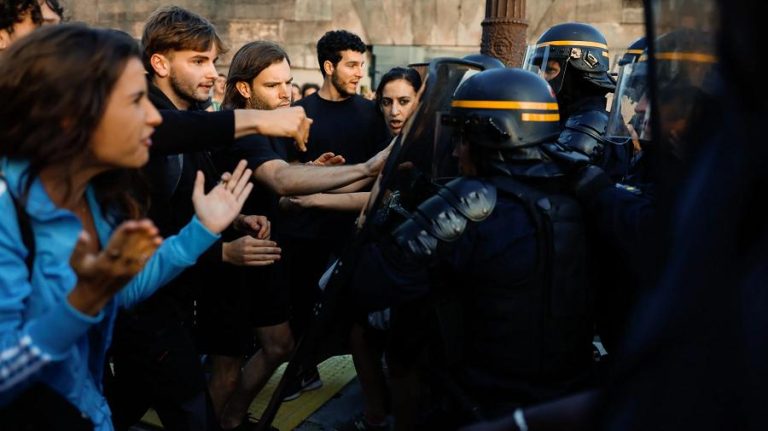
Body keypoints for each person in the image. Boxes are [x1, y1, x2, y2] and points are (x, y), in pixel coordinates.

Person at [0, 24, 251, 431]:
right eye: (135, 101)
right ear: (72, 115)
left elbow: (120, 293)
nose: (152, 117)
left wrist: (201, 230)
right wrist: (80, 304)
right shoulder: (7, 211)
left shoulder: (94, 196)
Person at [352, 68, 594, 428]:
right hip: (569, 402)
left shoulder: (474, 202)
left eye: (462, 138)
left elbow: (372, 280)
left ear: (487, 137)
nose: (455, 150)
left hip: (482, 402)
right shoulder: (583, 195)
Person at [210, 39, 391, 430]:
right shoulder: (241, 129)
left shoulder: (271, 126)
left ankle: (233, 418)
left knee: (279, 345)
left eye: (288, 83)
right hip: (229, 257)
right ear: (244, 88)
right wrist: (368, 168)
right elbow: (281, 179)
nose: (286, 93)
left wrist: (314, 174)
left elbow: (284, 191)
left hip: (264, 252)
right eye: (273, 85)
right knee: (227, 363)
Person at [105, 7, 266, 431]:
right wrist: (222, 253)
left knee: (121, 404)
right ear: (159, 63)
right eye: (198, 61)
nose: (212, 73)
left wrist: (236, 220)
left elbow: (188, 200)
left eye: (213, 61)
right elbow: (140, 235)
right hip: (148, 314)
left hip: (171, 306)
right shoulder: (149, 129)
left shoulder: (189, 123)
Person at [525, 22, 630, 181]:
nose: (542, 79)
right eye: (541, 71)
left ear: (575, 72)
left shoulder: (591, 120)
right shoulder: (568, 115)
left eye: (550, 70)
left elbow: (549, 178)